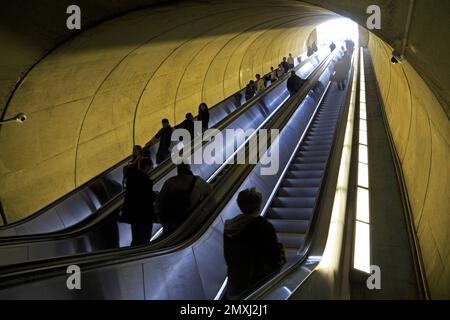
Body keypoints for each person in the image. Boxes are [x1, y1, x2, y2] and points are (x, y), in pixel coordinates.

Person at [223, 188, 285, 298]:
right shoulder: (264, 225)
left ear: (240, 205)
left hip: (235, 278)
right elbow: (272, 255)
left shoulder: (230, 226)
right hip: (256, 279)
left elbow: (227, 254)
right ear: (258, 205)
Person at [157, 163, 212, 236]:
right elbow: (210, 192)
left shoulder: (169, 182)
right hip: (192, 220)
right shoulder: (197, 180)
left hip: (172, 223)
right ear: (188, 168)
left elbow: (159, 202)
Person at [120, 157, 155, 246]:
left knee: (136, 237)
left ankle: (133, 253)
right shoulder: (146, 180)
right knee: (144, 239)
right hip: (144, 216)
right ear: (147, 166)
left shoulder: (131, 178)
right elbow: (147, 200)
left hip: (133, 215)